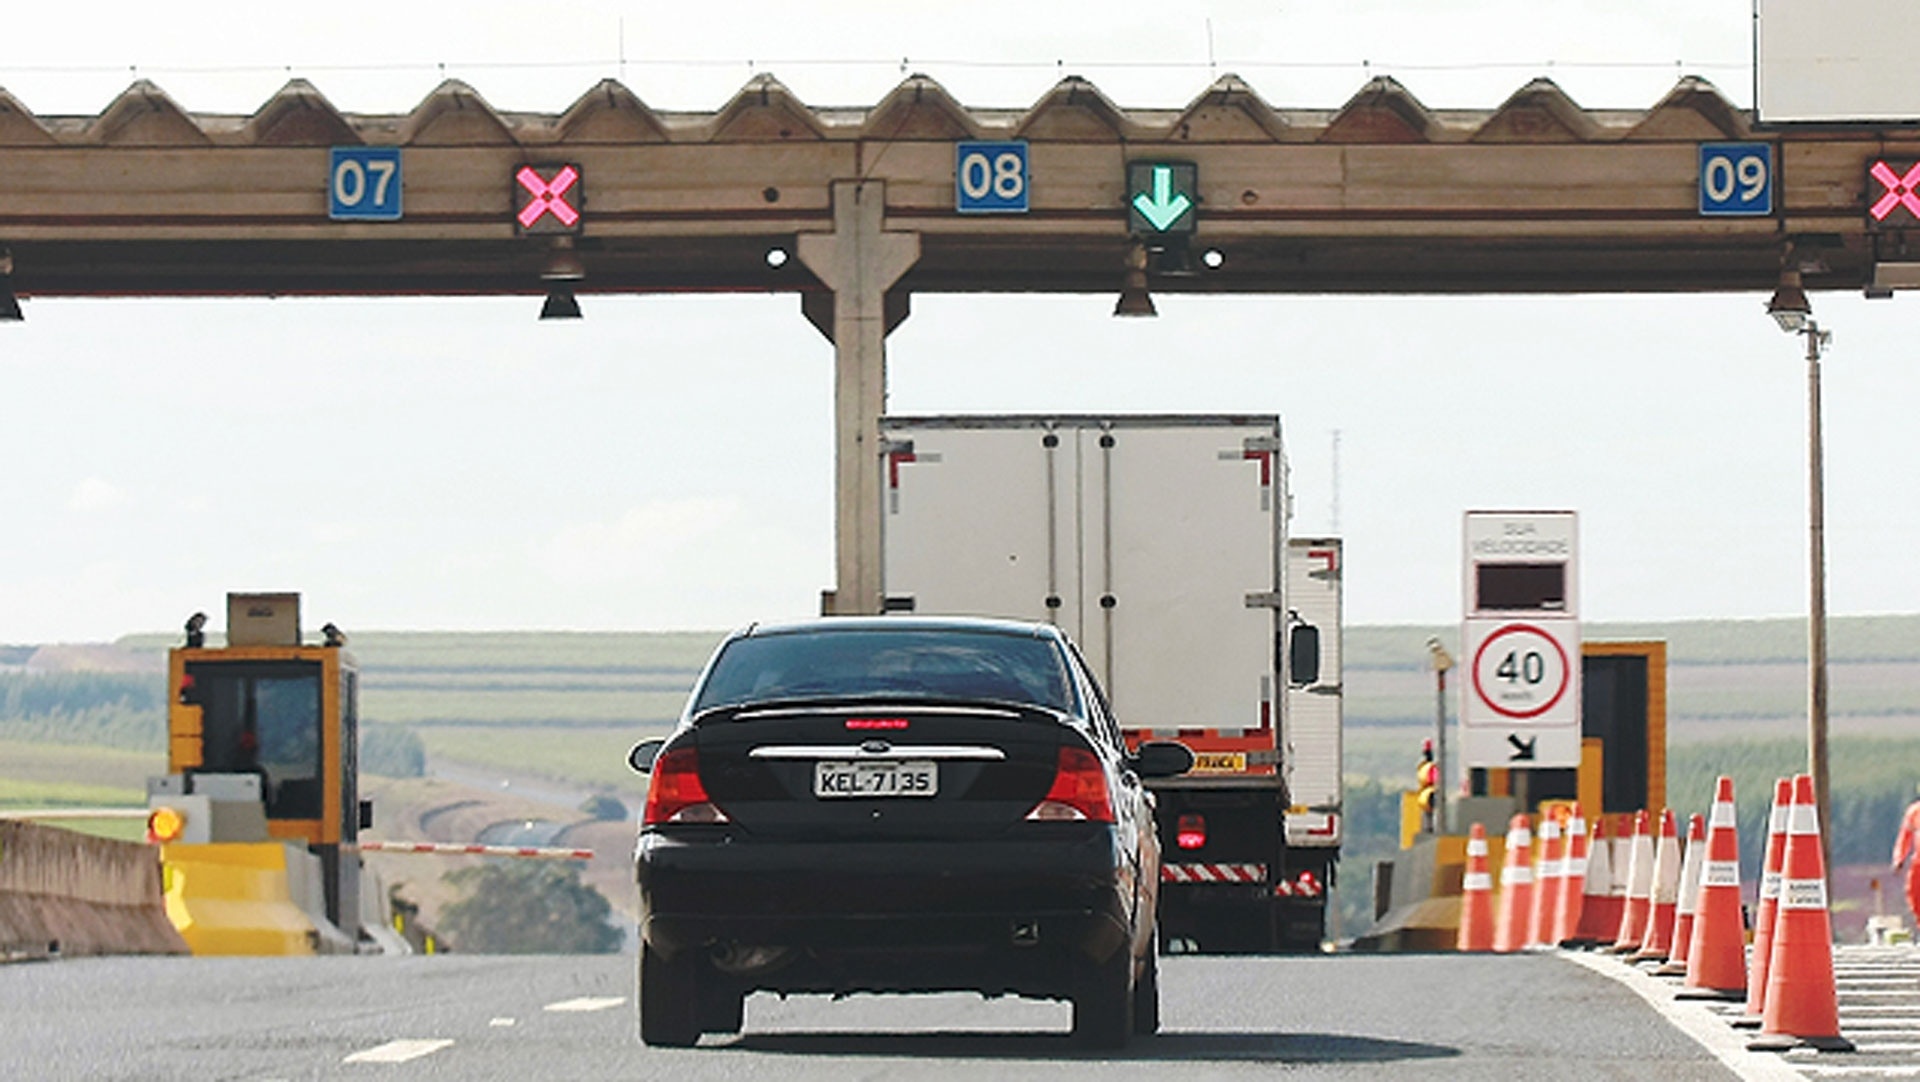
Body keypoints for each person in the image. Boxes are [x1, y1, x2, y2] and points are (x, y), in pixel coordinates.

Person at [1895, 782, 1920, 927]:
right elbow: (1905, 836)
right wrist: (1899, 858)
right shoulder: (1914, 811)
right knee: (1914, 894)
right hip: (1918, 862)